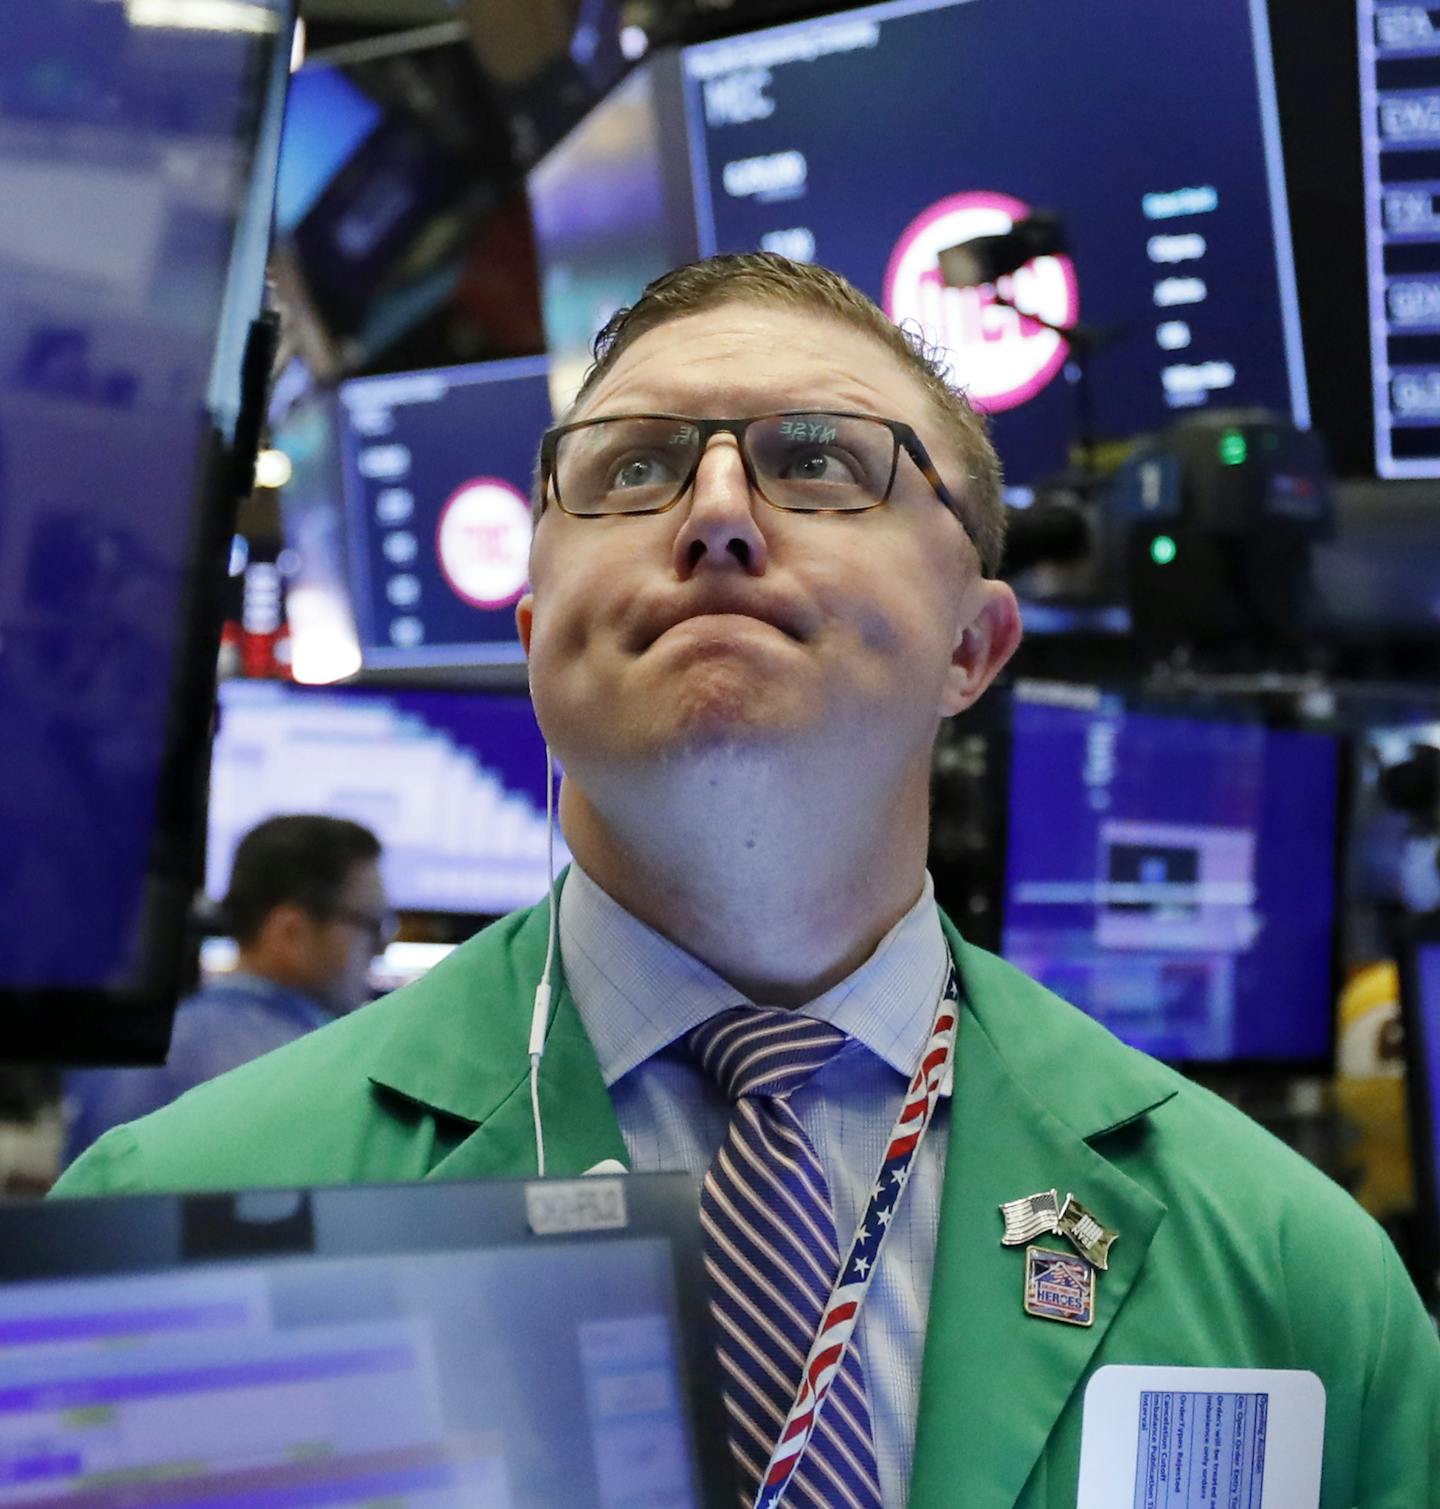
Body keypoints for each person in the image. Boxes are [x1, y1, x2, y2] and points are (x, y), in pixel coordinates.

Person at [54, 256, 1437, 1506]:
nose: (716, 514)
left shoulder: (1303, 1285)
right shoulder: (164, 1218)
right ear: (538, 636)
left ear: (976, 644)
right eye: (633, 469)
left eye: (825, 462)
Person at [62, 814, 389, 1165]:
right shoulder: (329, 1071)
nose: (382, 946)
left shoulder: (128, 1045)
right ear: (290, 932)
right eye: (371, 924)